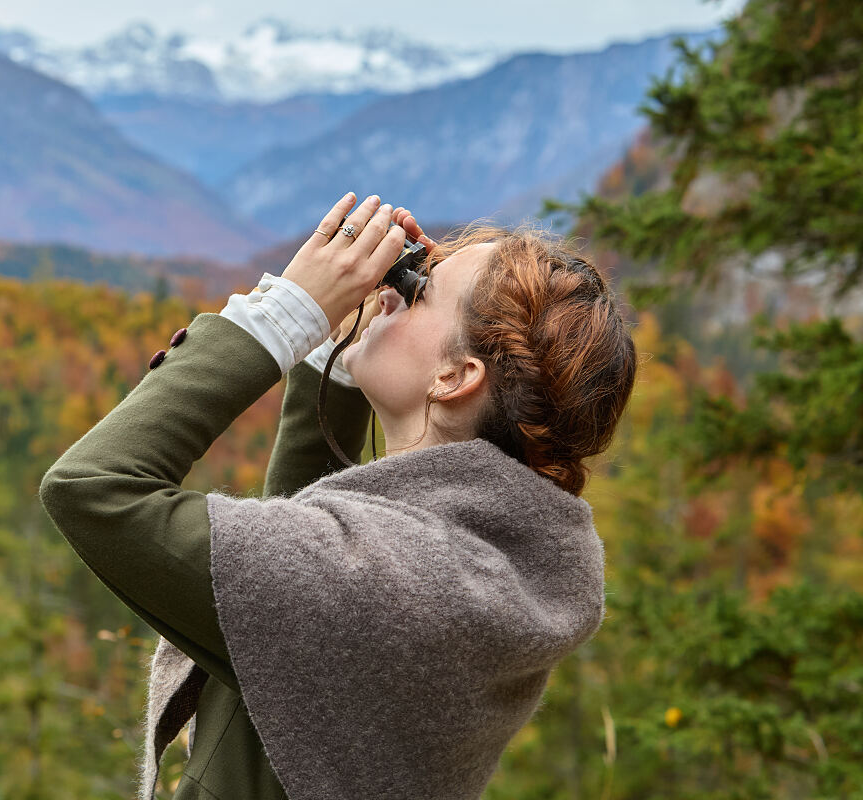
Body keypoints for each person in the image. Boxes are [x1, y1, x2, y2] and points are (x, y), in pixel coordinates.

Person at [39, 192, 638, 800]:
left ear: (454, 377)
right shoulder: (480, 562)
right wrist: (345, 347)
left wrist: (283, 317)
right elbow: (298, 575)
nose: (393, 291)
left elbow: (93, 487)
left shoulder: (381, 580)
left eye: (419, 290)